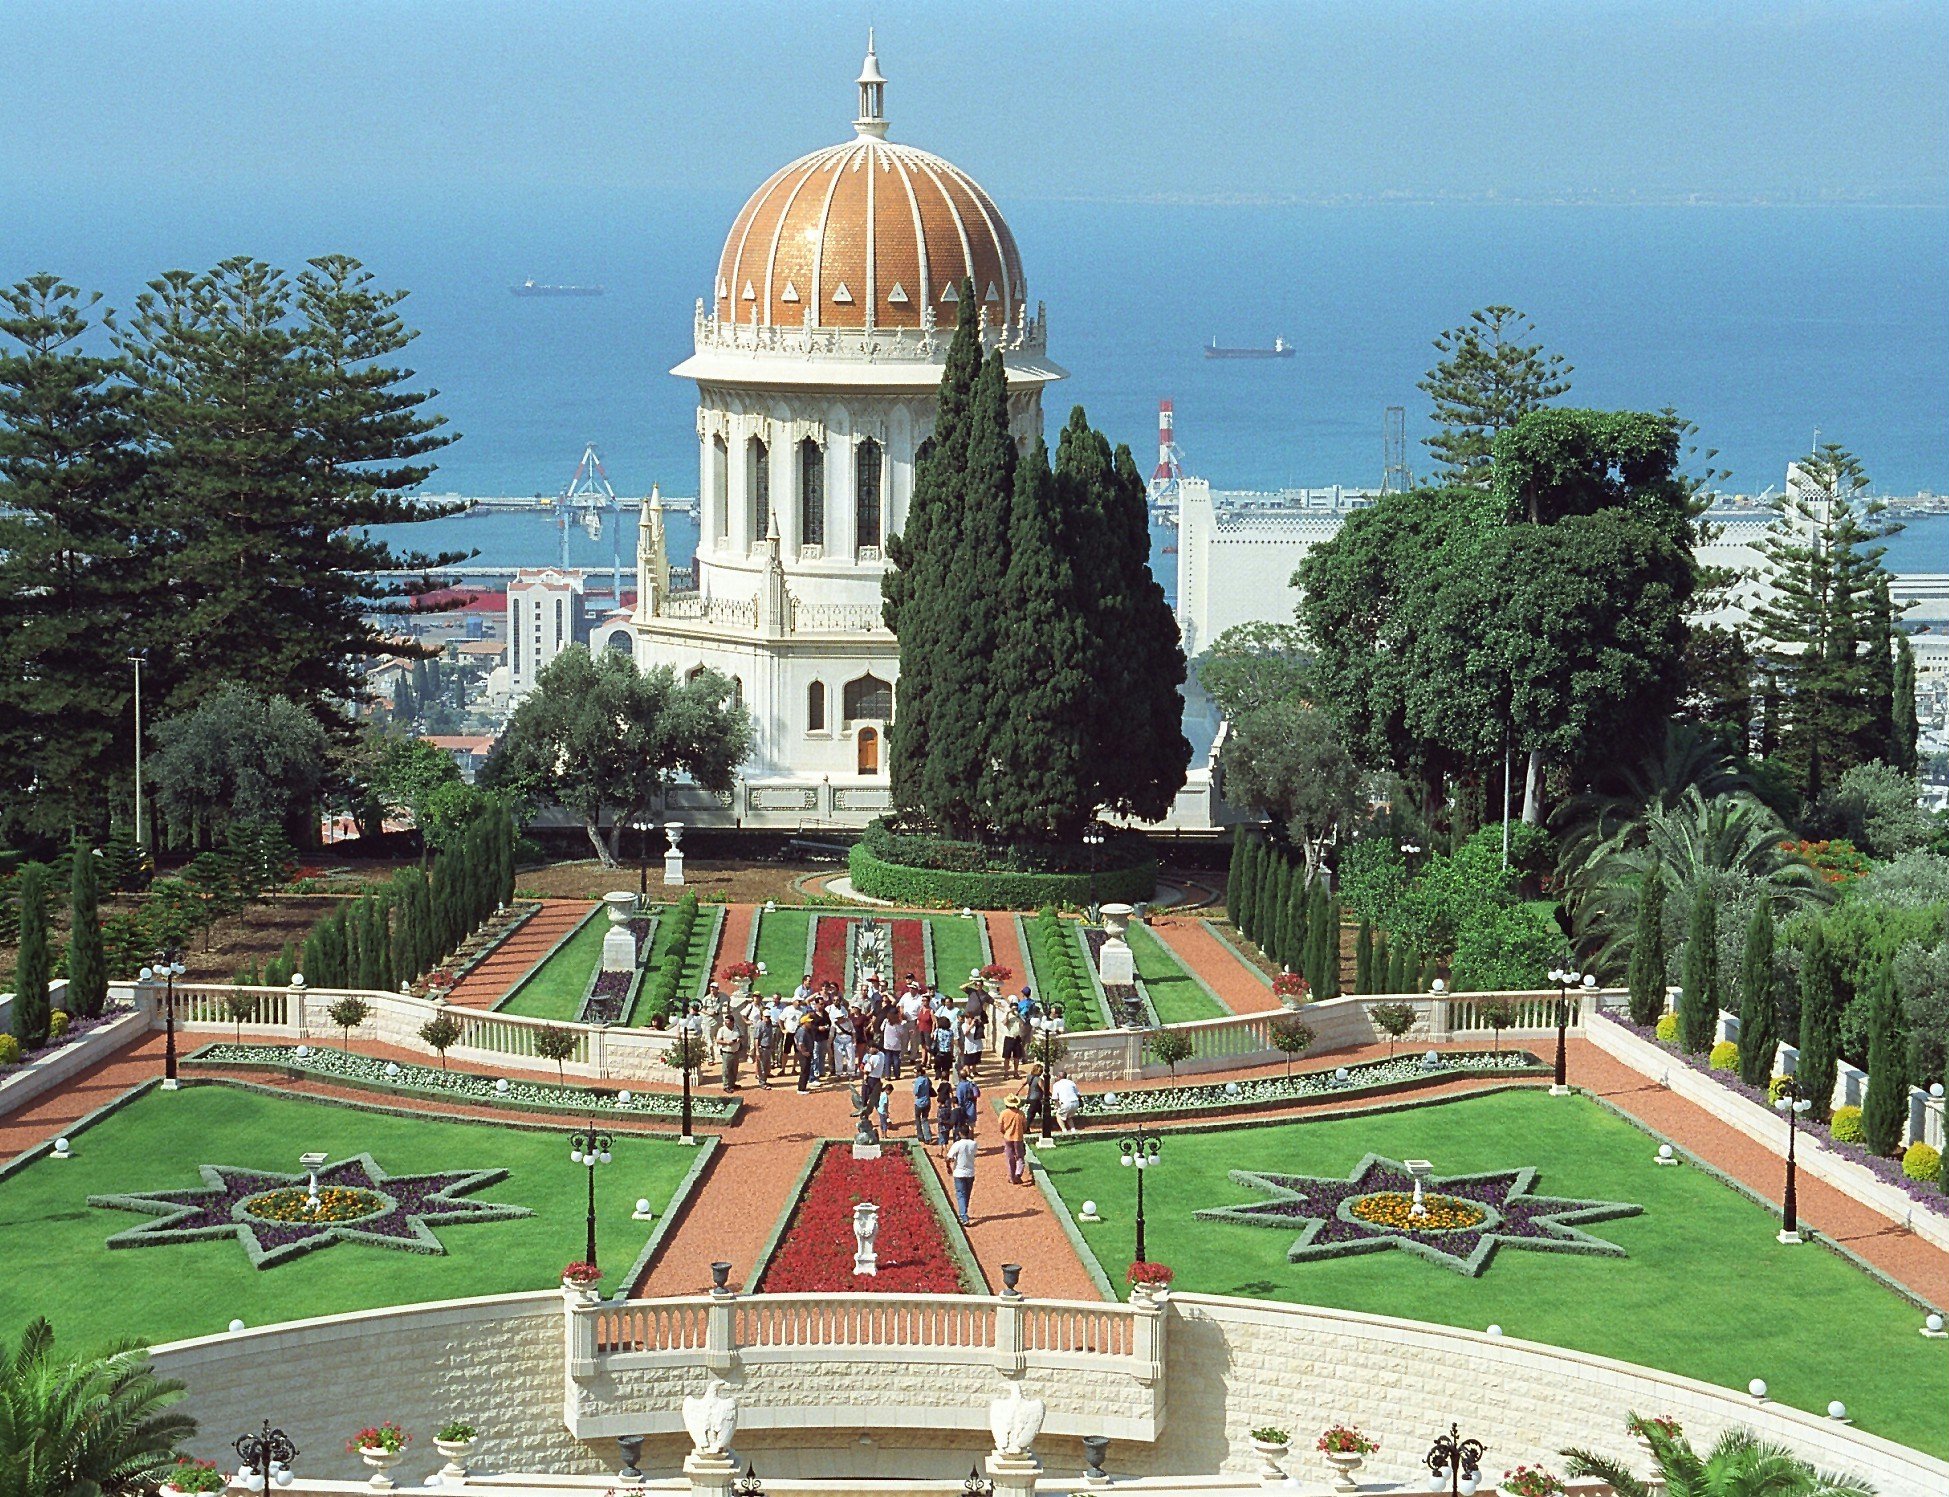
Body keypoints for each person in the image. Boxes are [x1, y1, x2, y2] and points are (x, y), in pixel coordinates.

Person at [945, 1124, 979, 1225]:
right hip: (970, 1172)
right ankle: (964, 1213)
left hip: (959, 1173)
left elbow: (948, 1157)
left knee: (961, 1194)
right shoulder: (974, 1144)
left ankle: (963, 1215)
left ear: (960, 1133)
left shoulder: (957, 1144)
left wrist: (948, 1166)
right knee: (967, 1194)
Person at [998, 1096, 1029, 1185]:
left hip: (1008, 1137)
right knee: (1020, 1156)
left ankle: (1012, 1177)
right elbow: (1025, 1126)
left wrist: (1005, 1132)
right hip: (1018, 1137)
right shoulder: (1021, 1113)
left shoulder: (1003, 1113)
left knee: (1010, 1157)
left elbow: (1001, 1127)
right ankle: (1018, 1174)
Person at [715, 1014, 742, 1089]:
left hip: (736, 1051)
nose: (726, 1024)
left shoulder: (737, 1028)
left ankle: (732, 1083)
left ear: (732, 1022)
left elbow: (741, 1036)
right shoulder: (722, 1029)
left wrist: (739, 1039)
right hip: (726, 1052)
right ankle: (726, 1085)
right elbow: (718, 1040)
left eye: (728, 1022)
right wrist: (726, 1042)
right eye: (725, 1022)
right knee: (726, 1070)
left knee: (734, 1069)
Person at [955, 1065, 982, 1138]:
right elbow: (978, 1094)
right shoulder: (971, 1084)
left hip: (963, 1109)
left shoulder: (960, 1086)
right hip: (972, 1108)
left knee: (963, 1127)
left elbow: (959, 1099)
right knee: (971, 1127)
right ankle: (971, 1141)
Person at [913, 1070, 935, 1144]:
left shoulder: (918, 1081)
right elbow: (930, 1086)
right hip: (927, 1102)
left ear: (919, 1073)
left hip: (919, 1102)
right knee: (925, 1119)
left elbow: (915, 1092)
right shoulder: (927, 1079)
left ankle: (920, 1136)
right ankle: (928, 1137)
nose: (914, 1074)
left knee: (917, 1118)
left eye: (915, 1072)